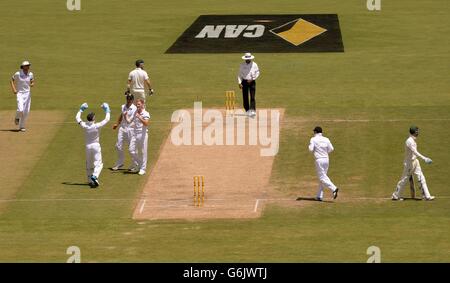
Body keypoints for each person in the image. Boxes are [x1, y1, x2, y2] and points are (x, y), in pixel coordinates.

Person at [392, 126, 434, 201]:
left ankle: (426, 196)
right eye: (417, 131)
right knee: (404, 179)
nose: (418, 132)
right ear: (414, 132)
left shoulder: (412, 140)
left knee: (421, 177)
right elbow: (415, 152)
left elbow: (414, 153)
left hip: (415, 161)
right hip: (409, 163)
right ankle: (395, 195)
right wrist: (424, 158)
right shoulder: (409, 141)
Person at [76, 102, 111, 187]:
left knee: (89, 164)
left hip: (88, 147)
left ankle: (90, 181)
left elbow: (77, 118)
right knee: (99, 164)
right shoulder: (96, 126)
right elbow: (107, 119)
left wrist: (81, 109)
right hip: (95, 146)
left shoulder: (85, 125)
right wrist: (107, 110)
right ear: (93, 119)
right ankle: (95, 176)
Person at [308, 126, 339, 201]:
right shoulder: (326, 139)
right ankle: (319, 196)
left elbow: (310, 149)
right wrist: (324, 153)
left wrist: (310, 146)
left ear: (315, 132)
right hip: (326, 160)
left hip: (319, 160)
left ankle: (334, 188)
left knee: (322, 177)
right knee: (322, 177)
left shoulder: (313, 139)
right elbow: (331, 149)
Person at [112, 94, 137, 171]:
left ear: (132, 100)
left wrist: (126, 117)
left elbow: (130, 120)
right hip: (122, 128)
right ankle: (120, 162)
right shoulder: (123, 106)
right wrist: (117, 123)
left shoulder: (134, 108)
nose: (128, 101)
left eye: (130, 100)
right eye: (127, 99)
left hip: (130, 129)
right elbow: (121, 115)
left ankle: (134, 164)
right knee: (118, 145)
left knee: (131, 148)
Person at [126, 99, 150, 175]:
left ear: (143, 104)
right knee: (131, 150)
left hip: (142, 134)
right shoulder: (135, 112)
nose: (137, 105)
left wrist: (139, 117)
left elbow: (146, 123)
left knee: (143, 152)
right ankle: (140, 164)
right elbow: (129, 121)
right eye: (137, 104)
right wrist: (125, 115)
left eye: (139, 104)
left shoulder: (146, 113)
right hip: (135, 134)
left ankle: (143, 169)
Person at [10, 61, 35, 132]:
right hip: (20, 93)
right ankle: (17, 118)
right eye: (26, 65)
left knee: (26, 111)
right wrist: (14, 89)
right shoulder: (18, 73)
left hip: (27, 94)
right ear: (23, 66)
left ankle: (22, 126)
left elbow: (32, 80)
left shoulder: (30, 74)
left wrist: (32, 83)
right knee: (20, 109)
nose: (28, 67)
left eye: (28, 65)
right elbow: (11, 80)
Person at [237, 52, 260, 118]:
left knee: (252, 97)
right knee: (245, 97)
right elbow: (239, 74)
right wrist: (239, 83)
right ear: (245, 59)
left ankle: (252, 111)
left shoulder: (254, 64)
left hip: (252, 82)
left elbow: (258, 72)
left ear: (250, 58)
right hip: (244, 82)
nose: (248, 60)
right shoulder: (242, 65)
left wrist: (252, 79)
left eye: (249, 59)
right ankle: (247, 110)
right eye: (246, 59)